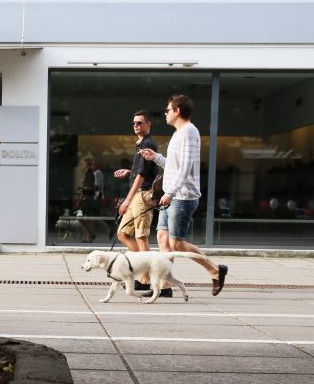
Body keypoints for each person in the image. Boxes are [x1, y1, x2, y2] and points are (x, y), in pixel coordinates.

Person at [140, 95, 228, 296]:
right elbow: (174, 164)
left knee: (176, 243)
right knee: (163, 239)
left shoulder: (189, 131)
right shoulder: (180, 133)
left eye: (168, 109)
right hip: (172, 195)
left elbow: (186, 167)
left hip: (182, 197)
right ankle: (165, 287)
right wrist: (157, 158)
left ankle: (215, 270)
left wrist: (170, 192)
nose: (165, 113)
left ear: (177, 111)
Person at [114, 110, 160, 293]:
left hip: (142, 196)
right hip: (137, 195)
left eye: (140, 123)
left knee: (141, 237)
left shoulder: (148, 143)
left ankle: (146, 278)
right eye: (134, 123)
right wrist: (129, 172)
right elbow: (140, 172)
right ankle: (144, 266)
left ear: (148, 124)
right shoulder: (140, 144)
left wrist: (127, 199)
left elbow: (142, 176)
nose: (136, 126)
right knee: (123, 233)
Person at [78, 157, 105, 241]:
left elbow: (97, 187)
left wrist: (84, 188)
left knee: (90, 217)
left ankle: (91, 235)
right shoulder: (95, 173)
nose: (92, 166)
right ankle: (89, 237)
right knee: (91, 217)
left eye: (93, 164)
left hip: (94, 197)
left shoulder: (96, 173)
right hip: (94, 197)